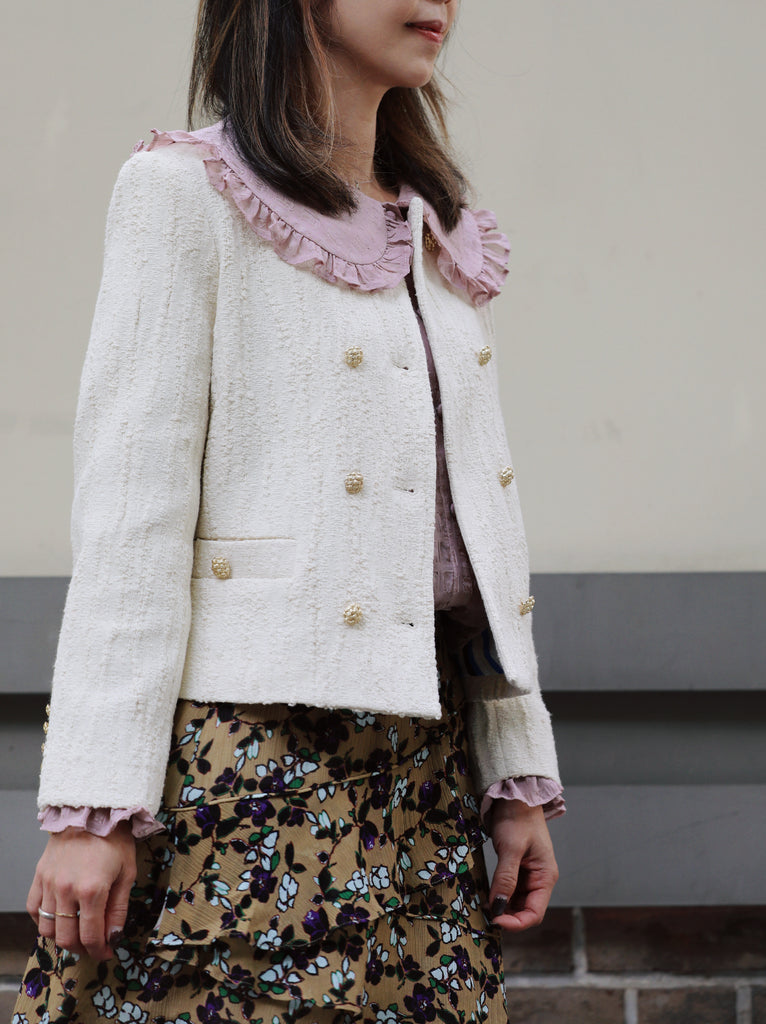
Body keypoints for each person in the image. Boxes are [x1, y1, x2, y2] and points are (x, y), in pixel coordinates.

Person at [14, 1, 564, 1021]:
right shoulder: (182, 193)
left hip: (420, 773)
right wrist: (92, 810)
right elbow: (132, 520)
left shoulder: (427, 218)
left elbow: (469, 536)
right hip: (250, 761)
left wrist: (515, 771)